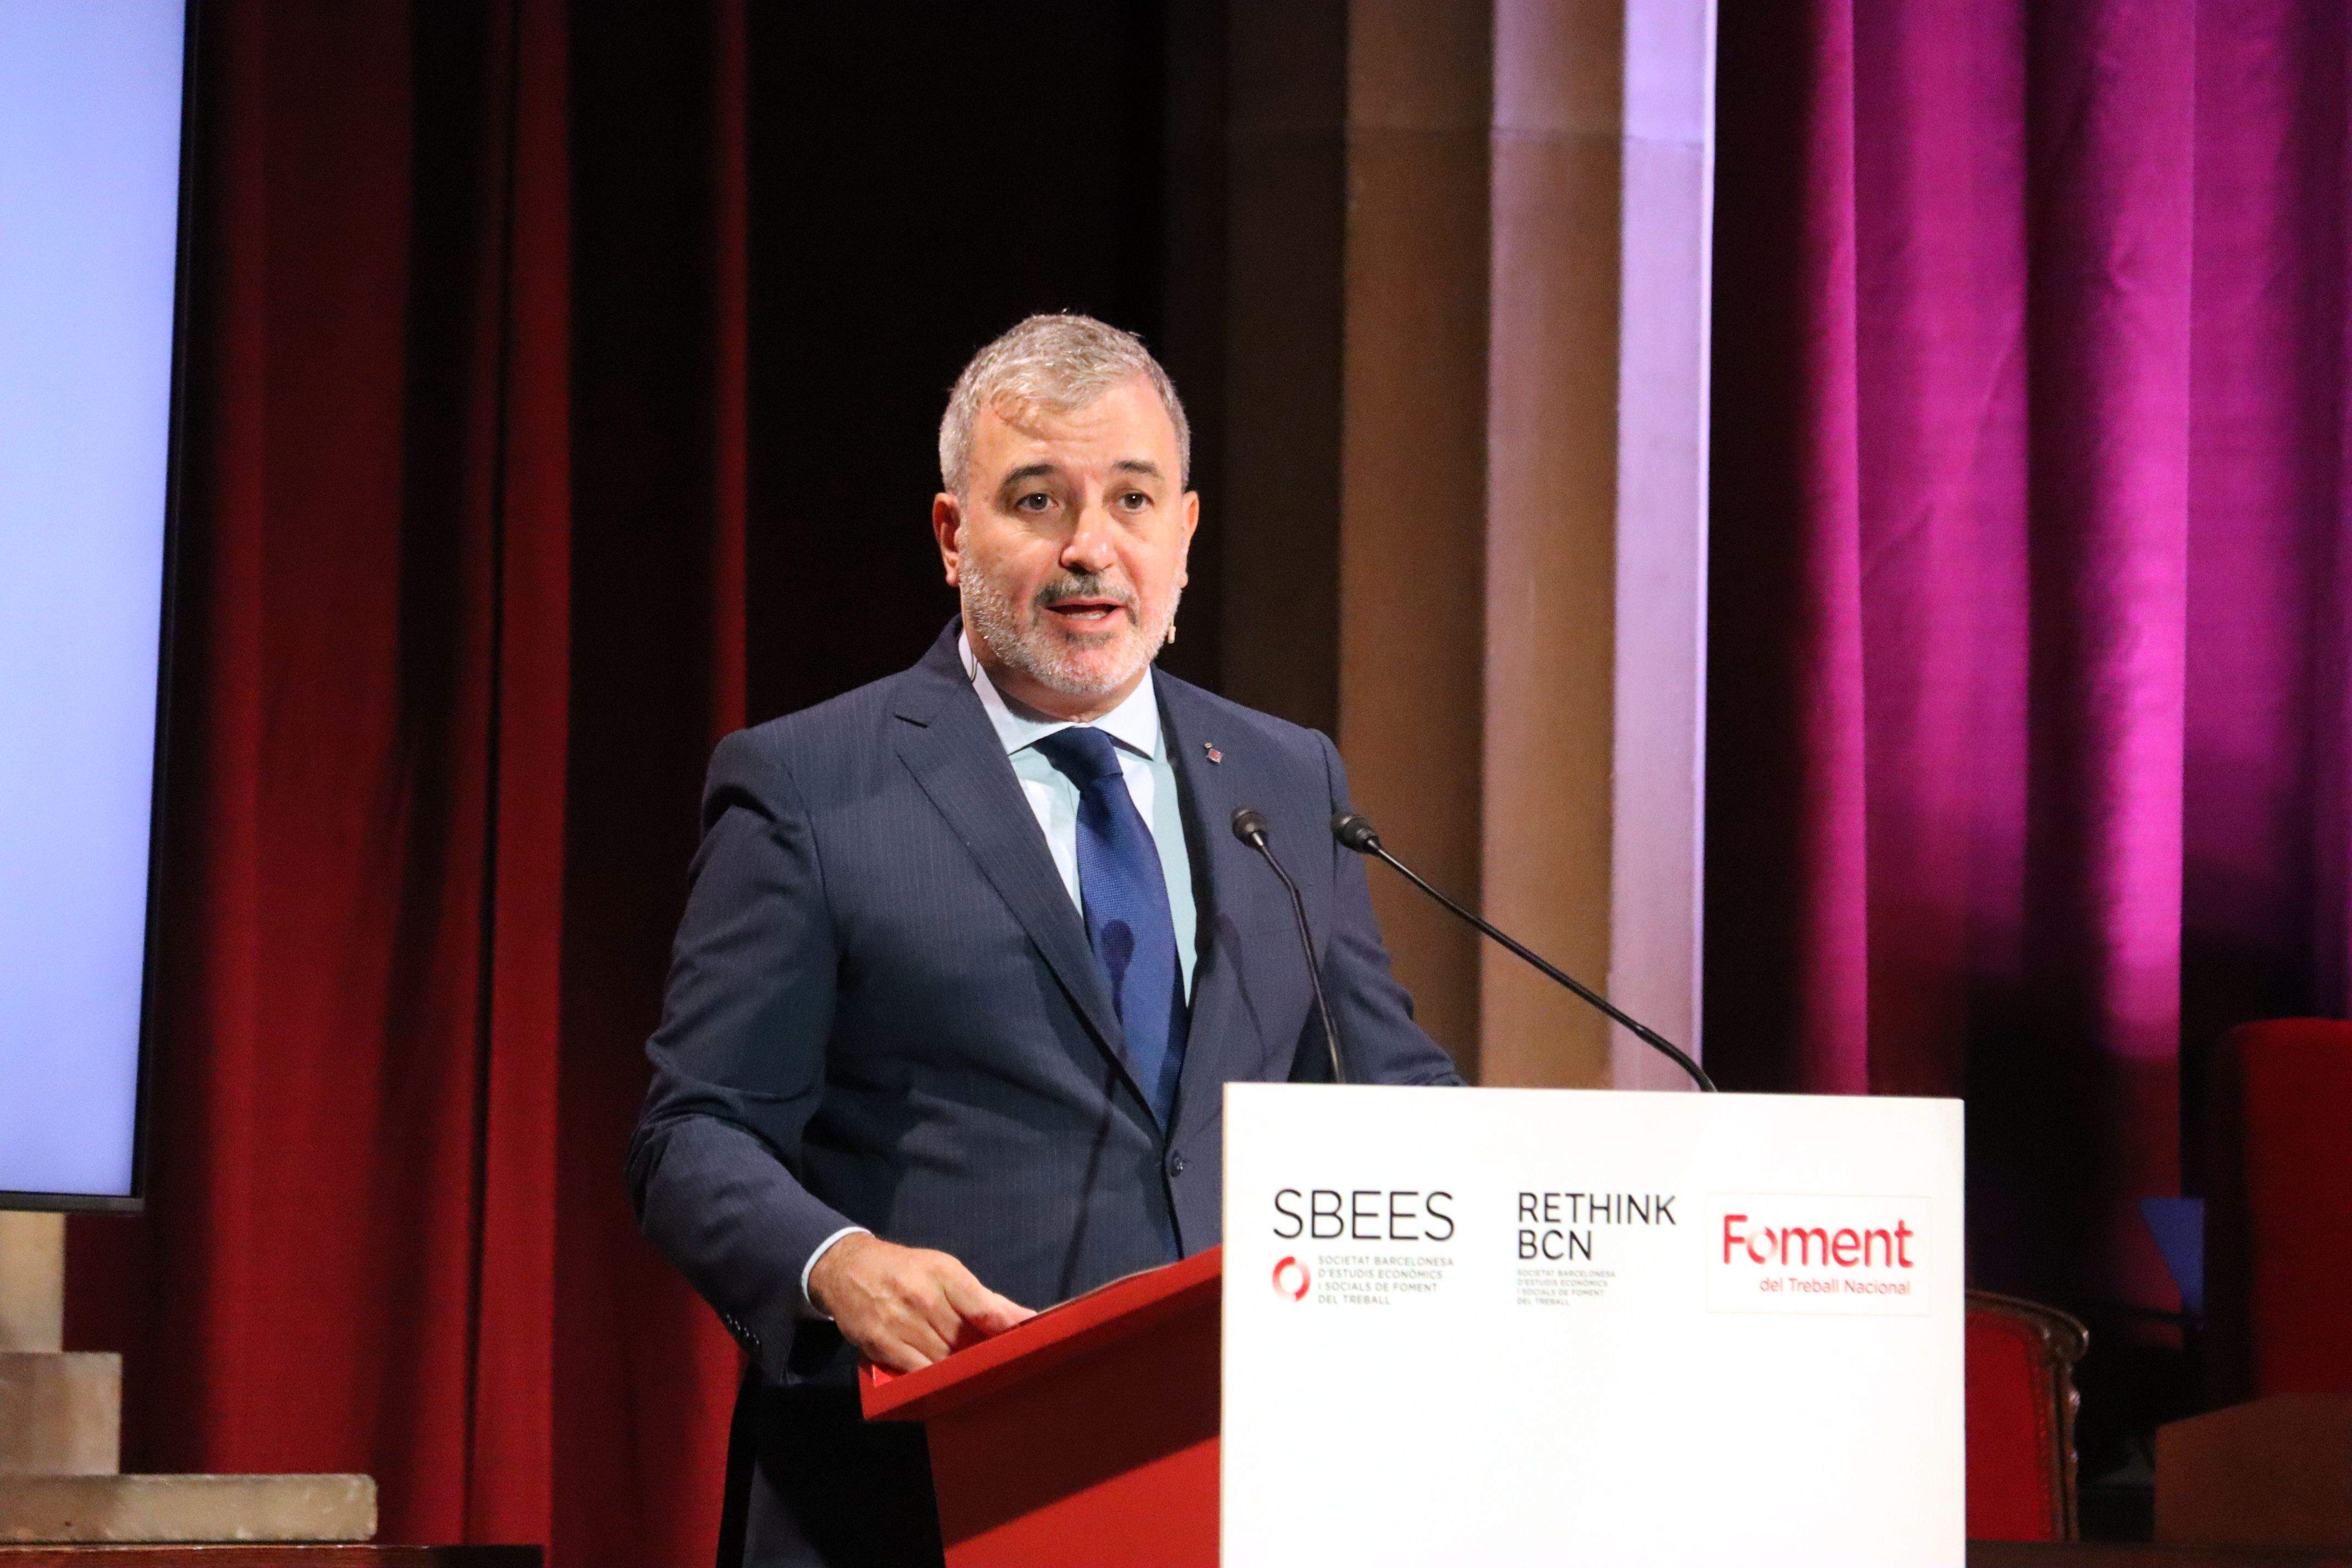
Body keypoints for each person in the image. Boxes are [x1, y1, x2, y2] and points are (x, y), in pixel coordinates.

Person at [627, 313, 1460, 1568]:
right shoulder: (809, 784)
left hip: (1232, 1486)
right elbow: (691, 1133)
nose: (1091, 548)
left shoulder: (1285, 781)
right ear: (955, 536)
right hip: (918, 1489)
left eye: (1131, 497)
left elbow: (1385, 1095)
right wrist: (836, 1261)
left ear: (1183, 532)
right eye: (1037, 499)